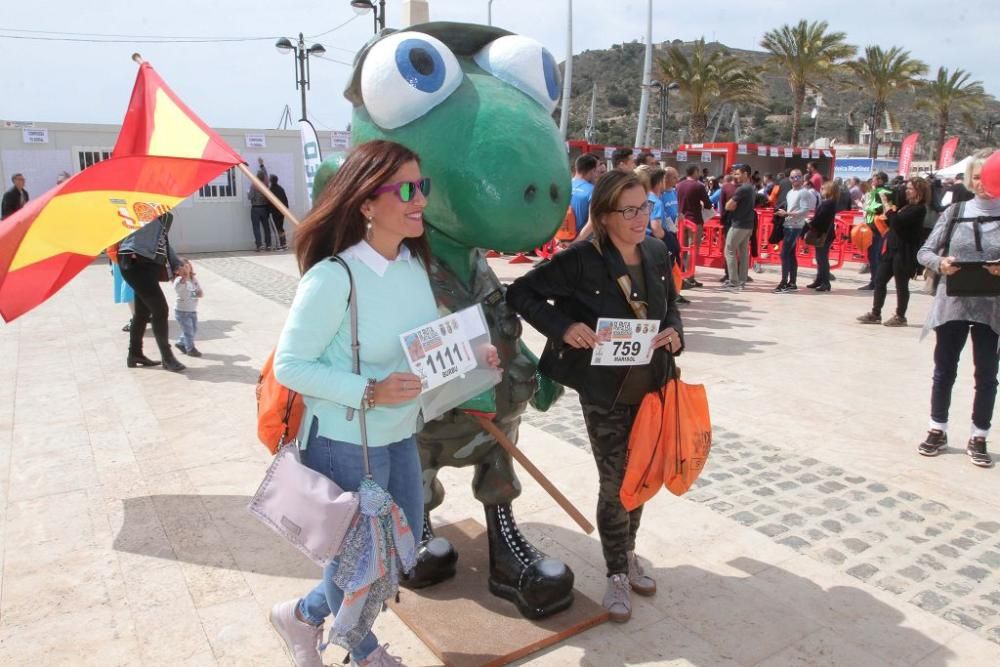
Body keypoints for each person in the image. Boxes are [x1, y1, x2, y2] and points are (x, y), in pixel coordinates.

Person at [268, 140, 500, 667]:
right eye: (407, 189)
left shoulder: (413, 268)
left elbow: (422, 346)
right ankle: (364, 653)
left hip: (399, 433)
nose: (420, 199)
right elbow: (291, 366)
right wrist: (368, 391)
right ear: (367, 204)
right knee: (360, 562)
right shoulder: (334, 277)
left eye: (424, 186)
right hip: (345, 441)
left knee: (395, 553)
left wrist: (474, 354)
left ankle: (303, 616)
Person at [506, 170, 683, 624]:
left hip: (653, 387)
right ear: (604, 217)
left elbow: (672, 305)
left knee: (641, 474)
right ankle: (617, 572)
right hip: (605, 390)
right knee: (616, 481)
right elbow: (521, 293)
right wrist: (564, 327)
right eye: (630, 210)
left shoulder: (658, 252)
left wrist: (675, 334)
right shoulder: (581, 259)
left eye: (645, 206)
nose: (642, 217)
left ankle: (629, 552)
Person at [916, 149, 1000, 469]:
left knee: (987, 375)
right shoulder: (954, 212)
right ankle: (938, 428)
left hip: (991, 308)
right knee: (944, 371)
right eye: (976, 177)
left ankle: (979, 435)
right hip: (952, 303)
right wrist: (941, 262)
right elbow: (925, 252)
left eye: (988, 176)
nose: (982, 183)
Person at [117, 212, 186, 372]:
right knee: (160, 310)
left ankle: (135, 354)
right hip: (135, 263)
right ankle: (167, 358)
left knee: (142, 313)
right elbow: (129, 233)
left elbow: (163, 242)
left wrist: (177, 264)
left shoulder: (165, 215)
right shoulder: (141, 209)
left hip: (149, 267)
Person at [857, 178, 930, 327]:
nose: (907, 191)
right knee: (879, 280)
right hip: (892, 248)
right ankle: (875, 313)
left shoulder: (919, 209)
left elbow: (896, 221)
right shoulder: (906, 206)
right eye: (907, 188)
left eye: (910, 188)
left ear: (919, 191)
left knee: (901, 284)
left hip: (904, 251)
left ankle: (900, 316)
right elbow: (893, 220)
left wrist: (887, 206)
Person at [676, 164, 713, 288]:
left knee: (682, 249)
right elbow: (708, 204)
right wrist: (702, 205)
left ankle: (681, 274)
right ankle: (690, 276)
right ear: (695, 172)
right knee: (693, 249)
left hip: (681, 221)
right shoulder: (699, 186)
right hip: (695, 221)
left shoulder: (678, 185)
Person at [774, 169, 810, 293]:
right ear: (789, 179)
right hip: (787, 225)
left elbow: (805, 210)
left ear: (802, 178)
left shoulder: (804, 193)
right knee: (790, 254)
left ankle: (784, 282)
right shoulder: (790, 192)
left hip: (795, 226)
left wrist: (787, 213)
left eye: (798, 177)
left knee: (784, 254)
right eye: (793, 177)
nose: (796, 179)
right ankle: (792, 282)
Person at [723, 164, 756, 291]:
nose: (735, 176)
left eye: (737, 173)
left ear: (746, 174)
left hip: (738, 224)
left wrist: (729, 204)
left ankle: (734, 282)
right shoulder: (751, 188)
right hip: (748, 225)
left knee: (729, 250)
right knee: (743, 253)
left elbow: (728, 206)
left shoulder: (742, 189)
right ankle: (741, 280)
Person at [859, 172, 892, 290]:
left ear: (880, 180)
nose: (872, 182)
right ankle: (876, 281)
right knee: (875, 254)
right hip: (877, 227)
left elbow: (880, 208)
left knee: (874, 255)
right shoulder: (879, 192)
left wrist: (866, 208)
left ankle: (875, 282)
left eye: (874, 180)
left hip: (876, 227)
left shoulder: (881, 192)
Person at [805, 181, 838, 292]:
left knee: (822, 259)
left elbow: (820, 218)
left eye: (823, 188)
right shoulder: (829, 202)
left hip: (823, 234)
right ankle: (820, 280)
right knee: (820, 258)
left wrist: (810, 223)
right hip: (824, 233)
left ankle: (825, 282)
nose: (821, 190)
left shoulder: (827, 203)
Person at [173, 259, 204, 356]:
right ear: (178, 271)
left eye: (187, 267)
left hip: (192, 310)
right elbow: (179, 289)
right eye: (182, 268)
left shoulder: (193, 279)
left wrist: (199, 293)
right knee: (188, 331)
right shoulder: (179, 281)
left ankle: (181, 343)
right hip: (182, 311)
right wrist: (184, 278)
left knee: (193, 329)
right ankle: (190, 349)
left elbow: (193, 293)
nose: (186, 270)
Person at [570, 153, 599, 235]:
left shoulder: (563, 186)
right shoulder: (593, 191)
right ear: (593, 170)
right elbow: (592, 223)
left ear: (576, 168)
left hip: (559, 241)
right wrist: (574, 243)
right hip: (582, 243)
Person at [250, 158, 273, 251]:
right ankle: (268, 245)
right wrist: (262, 165)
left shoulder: (253, 185)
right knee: (266, 227)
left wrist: (249, 193)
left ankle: (259, 245)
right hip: (265, 208)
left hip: (255, 208)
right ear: (263, 177)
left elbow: (250, 197)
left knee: (256, 227)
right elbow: (266, 174)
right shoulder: (266, 184)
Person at [269, 174, 290, 251]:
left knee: (277, 228)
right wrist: (285, 210)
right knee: (281, 227)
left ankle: (280, 245)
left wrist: (269, 210)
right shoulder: (281, 189)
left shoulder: (271, 190)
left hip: (275, 212)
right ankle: (284, 244)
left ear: (271, 181)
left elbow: (269, 201)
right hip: (281, 212)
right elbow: (285, 200)